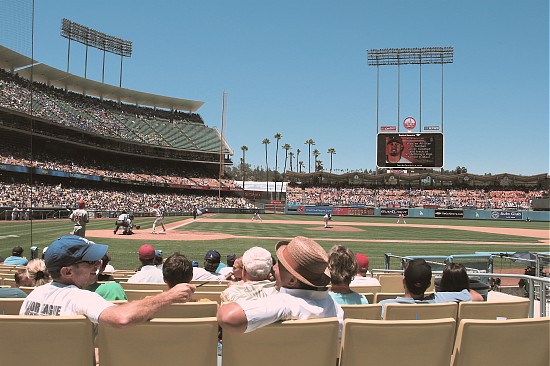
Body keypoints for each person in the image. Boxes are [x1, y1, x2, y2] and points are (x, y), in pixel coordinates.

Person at [20, 234, 195, 325]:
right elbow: (122, 318)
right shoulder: (81, 298)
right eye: (90, 261)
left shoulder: (32, 297)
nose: (98, 263)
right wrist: (169, 296)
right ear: (67, 272)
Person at [217, 236, 344, 334]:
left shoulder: (284, 303)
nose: (274, 267)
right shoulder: (334, 306)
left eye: (280, 265)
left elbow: (228, 317)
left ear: (292, 281)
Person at [378, 259, 474, 317]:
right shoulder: (441, 300)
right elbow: (474, 297)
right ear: (428, 285)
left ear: (404, 281)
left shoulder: (383, 306)